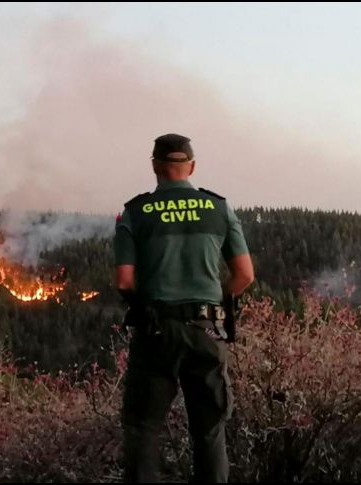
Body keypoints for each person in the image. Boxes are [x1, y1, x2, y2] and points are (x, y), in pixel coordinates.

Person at [114, 133, 255, 483]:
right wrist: (215, 304)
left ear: (155, 168)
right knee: (209, 430)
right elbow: (245, 275)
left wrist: (145, 304)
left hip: (156, 331)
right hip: (206, 330)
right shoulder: (219, 208)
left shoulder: (135, 212)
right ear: (191, 167)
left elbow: (124, 281)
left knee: (144, 428)